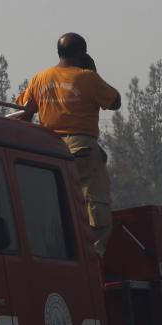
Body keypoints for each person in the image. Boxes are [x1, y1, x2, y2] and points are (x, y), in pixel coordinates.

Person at [15, 33, 121, 256]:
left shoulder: (39, 79)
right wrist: (92, 72)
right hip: (81, 148)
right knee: (95, 205)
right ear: (82, 54)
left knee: (56, 205)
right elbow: (115, 101)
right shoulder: (86, 78)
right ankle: (93, 261)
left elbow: (23, 112)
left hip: (47, 148)